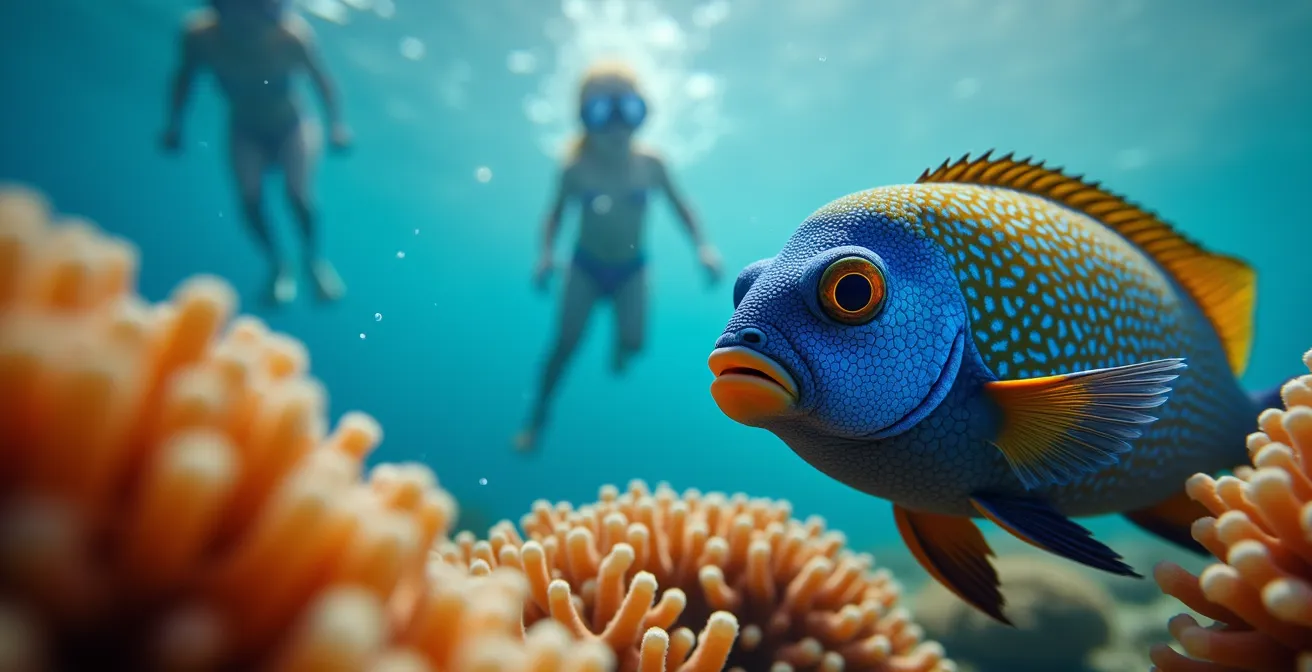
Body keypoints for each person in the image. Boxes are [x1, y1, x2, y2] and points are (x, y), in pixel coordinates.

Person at [515, 60, 723, 452]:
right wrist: (544, 256)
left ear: (642, 113)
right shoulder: (575, 169)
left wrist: (703, 248)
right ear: (582, 119)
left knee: (634, 344)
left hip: (632, 271)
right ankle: (536, 420)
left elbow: (683, 208)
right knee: (564, 346)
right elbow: (554, 215)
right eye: (600, 112)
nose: (615, 126)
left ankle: (619, 348)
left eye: (626, 111)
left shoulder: (652, 164)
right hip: (585, 268)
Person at [160, 0, 351, 305]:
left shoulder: (292, 36)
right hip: (245, 130)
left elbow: (322, 81)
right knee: (249, 200)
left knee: (298, 195)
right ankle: (278, 264)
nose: (247, 24)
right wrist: (174, 123)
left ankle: (313, 262)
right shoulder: (200, 36)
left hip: (292, 125)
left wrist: (337, 126)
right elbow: (184, 78)